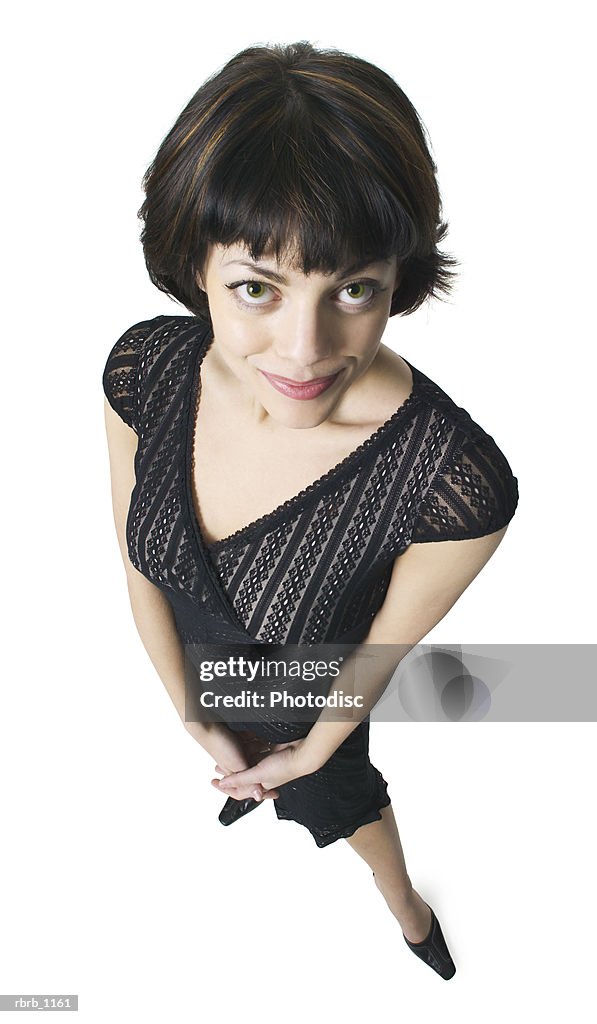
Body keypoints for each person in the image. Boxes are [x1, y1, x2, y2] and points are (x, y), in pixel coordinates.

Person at [102, 41, 519, 981]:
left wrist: (308, 752)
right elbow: (137, 562)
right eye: (257, 286)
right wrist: (190, 709)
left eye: (354, 290)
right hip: (205, 668)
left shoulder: (449, 478)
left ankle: (406, 908)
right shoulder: (145, 371)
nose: (304, 348)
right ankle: (242, 772)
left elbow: (375, 660)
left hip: (316, 701)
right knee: (238, 734)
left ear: (394, 279)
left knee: (343, 801)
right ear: (193, 265)